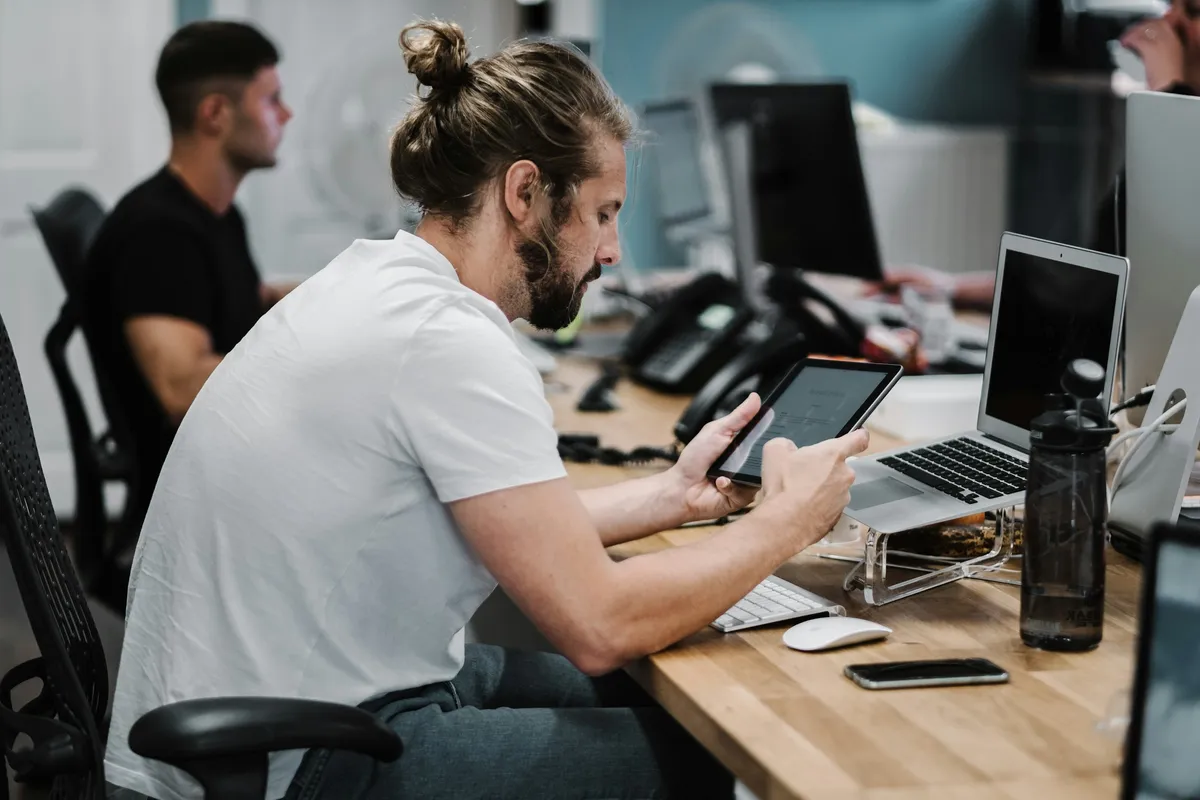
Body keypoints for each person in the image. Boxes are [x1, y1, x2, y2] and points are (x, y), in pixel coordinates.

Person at [103, 19, 868, 800]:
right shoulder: (448, 341)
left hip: (279, 703)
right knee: (718, 761)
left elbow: (510, 525)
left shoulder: (384, 277)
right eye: (603, 213)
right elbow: (600, 624)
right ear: (526, 191)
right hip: (291, 754)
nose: (612, 251)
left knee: (668, 699)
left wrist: (672, 495)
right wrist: (785, 525)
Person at [83, 20, 295, 531]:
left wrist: (348, 297)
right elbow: (181, 389)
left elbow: (248, 298)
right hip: (200, 504)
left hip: (232, 467)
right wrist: (319, 364)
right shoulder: (158, 234)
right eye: (271, 100)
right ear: (216, 114)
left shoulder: (214, 216)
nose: (286, 115)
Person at [874, 0, 1200, 308]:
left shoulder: (1176, 141)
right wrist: (949, 288)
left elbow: (1168, 279)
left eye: (1194, 10)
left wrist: (1169, 99)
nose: (1169, 21)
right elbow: (1091, 283)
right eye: (1170, 4)